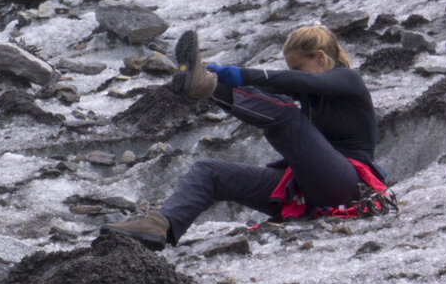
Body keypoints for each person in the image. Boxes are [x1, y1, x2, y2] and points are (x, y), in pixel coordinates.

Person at [109, 25, 390, 248]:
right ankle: (162, 225)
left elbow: (301, 82)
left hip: (349, 185)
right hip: (306, 190)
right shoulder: (310, 89)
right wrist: (218, 83)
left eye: (297, 66)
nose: (293, 74)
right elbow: (273, 93)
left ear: (320, 57)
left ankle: (206, 86)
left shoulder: (348, 80)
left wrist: (238, 75)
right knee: (209, 171)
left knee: (287, 116)